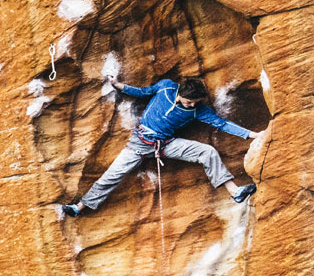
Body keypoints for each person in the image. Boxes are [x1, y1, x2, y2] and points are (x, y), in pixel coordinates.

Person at [61, 75, 261, 217]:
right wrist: (119, 85)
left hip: (165, 144)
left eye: (195, 102)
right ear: (180, 93)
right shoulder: (166, 87)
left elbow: (222, 123)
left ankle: (235, 192)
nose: (192, 105)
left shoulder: (198, 110)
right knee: (111, 176)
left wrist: (252, 135)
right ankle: (79, 207)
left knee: (207, 151)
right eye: (189, 101)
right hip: (139, 144)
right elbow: (143, 92)